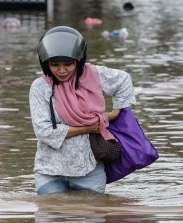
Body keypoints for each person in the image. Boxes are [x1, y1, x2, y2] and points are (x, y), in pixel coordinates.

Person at [29, 26, 136, 195]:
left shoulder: (95, 75)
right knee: (51, 213)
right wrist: (89, 127)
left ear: (78, 61)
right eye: (55, 65)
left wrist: (116, 111)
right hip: (50, 169)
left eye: (68, 64)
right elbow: (44, 131)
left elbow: (123, 80)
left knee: (90, 214)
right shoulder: (40, 87)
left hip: (89, 168)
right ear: (45, 63)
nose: (62, 70)